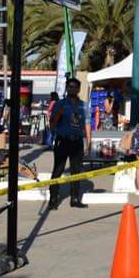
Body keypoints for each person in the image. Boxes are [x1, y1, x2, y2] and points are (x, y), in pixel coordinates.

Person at [47, 78, 91, 210]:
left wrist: (89, 142)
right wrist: (58, 115)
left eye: (74, 87)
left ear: (78, 89)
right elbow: (52, 125)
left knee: (76, 171)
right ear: (66, 88)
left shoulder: (84, 105)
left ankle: (75, 198)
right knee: (58, 170)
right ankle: (53, 199)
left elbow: (87, 124)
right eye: (69, 86)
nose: (72, 89)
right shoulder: (59, 104)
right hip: (62, 140)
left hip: (77, 141)